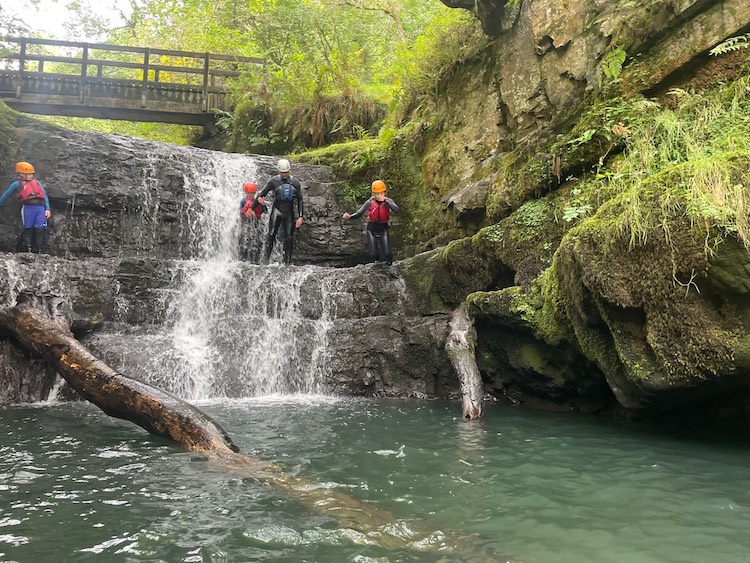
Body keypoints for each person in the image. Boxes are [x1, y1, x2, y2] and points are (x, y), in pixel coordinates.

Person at [255, 159, 303, 265]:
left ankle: (287, 263)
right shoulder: (273, 181)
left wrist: (300, 216)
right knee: (271, 234)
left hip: (289, 213)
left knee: (289, 237)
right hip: (277, 211)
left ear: (289, 170)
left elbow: (300, 199)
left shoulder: (295, 182)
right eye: (282, 172)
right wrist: (252, 207)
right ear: (279, 171)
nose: (284, 174)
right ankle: (265, 261)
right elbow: (261, 194)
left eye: (286, 172)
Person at [342, 180, 400, 265]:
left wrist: (386, 201)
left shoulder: (388, 201)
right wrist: (350, 216)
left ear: (384, 192)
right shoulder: (370, 202)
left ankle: (390, 264)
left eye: (381, 193)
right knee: (373, 254)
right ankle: (377, 264)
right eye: (377, 194)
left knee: (387, 253)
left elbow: (397, 210)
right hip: (371, 229)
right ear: (373, 194)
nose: (379, 195)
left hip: (383, 229)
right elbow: (359, 213)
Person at [0, 161, 52, 254]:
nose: (31, 176)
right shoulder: (16, 184)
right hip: (28, 209)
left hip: (40, 209)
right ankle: (29, 250)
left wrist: (47, 209)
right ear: (21, 174)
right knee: (28, 228)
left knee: (40, 229)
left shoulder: (37, 183)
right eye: (28, 174)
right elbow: (5, 196)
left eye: (32, 174)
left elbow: (44, 196)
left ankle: (39, 251)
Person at [238, 182, 266, 262]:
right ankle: (243, 259)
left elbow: (265, 211)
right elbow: (239, 212)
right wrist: (246, 213)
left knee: (255, 242)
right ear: (245, 193)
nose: (250, 194)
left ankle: (254, 260)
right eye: (248, 193)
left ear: (255, 193)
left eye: (252, 193)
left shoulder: (258, 201)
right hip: (246, 223)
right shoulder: (243, 201)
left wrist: (263, 204)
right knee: (245, 241)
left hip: (256, 224)